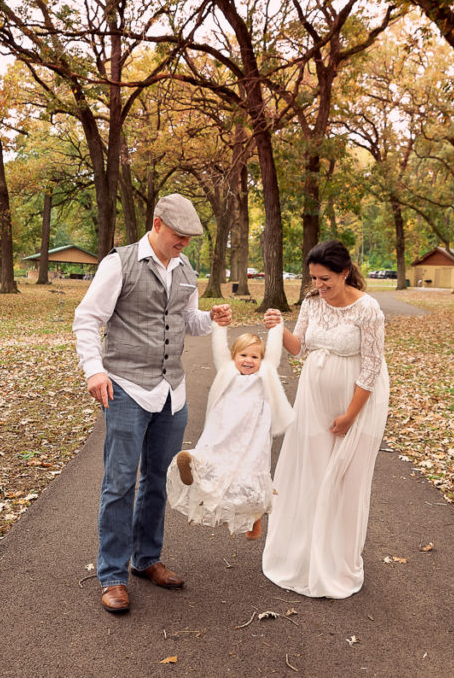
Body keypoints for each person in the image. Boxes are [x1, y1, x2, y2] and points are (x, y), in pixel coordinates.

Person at [72, 193, 232, 614]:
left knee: (159, 481)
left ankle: (146, 560)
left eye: (189, 239)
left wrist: (211, 318)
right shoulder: (119, 263)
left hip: (171, 392)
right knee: (120, 481)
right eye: (179, 236)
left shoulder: (186, 270)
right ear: (157, 224)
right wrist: (94, 369)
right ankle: (112, 575)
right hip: (125, 385)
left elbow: (186, 321)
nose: (185, 244)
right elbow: (88, 318)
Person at [260, 239, 389, 599]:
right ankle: (303, 555)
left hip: (355, 404)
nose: (319, 286)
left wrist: (349, 415)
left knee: (344, 481)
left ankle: (334, 561)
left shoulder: (369, 310)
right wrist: (277, 327)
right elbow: (299, 347)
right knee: (311, 474)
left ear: (345, 273)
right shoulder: (312, 303)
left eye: (326, 279)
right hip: (313, 400)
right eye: (314, 279)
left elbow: (372, 367)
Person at [166, 322, 294, 539]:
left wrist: (276, 326)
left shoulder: (265, 375)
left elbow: (273, 353)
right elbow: (219, 349)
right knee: (214, 460)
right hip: (224, 433)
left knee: (251, 473)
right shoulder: (227, 371)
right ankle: (191, 462)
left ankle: (255, 522)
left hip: (253, 437)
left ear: (261, 361)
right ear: (233, 356)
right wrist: (219, 325)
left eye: (255, 357)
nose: (248, 360)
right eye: (243, 355)